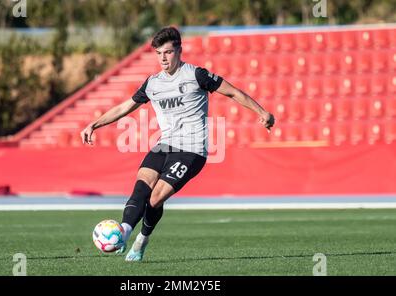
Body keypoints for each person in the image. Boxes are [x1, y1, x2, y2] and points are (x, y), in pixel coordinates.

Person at [80, 27, 275, 261]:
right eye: (159, 53)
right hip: (165, 144)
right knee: (141, 189)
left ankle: (142, 240)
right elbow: (125, 107)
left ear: (179, 51)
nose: (163, 58)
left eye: (168, 52)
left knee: (155, 199)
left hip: (192, 150)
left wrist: (261, 111)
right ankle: (123, 233)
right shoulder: (152, 84)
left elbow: (233, 92)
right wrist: (94, 124)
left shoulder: (196, 75)